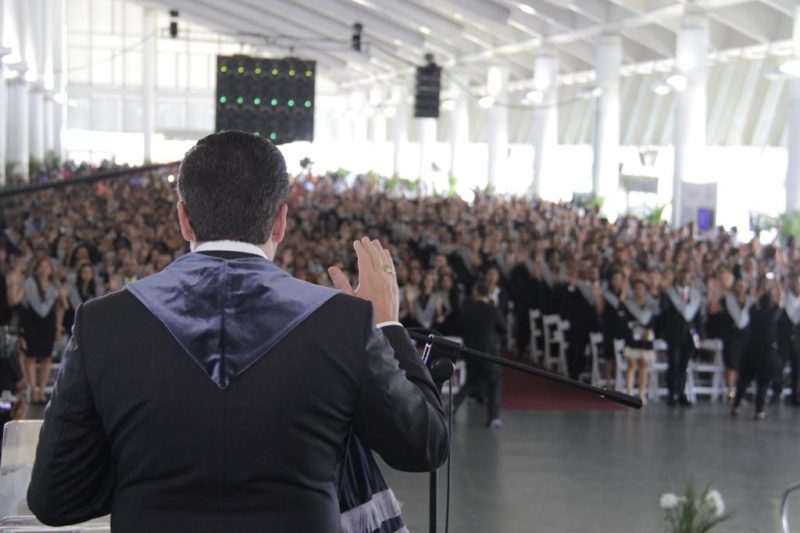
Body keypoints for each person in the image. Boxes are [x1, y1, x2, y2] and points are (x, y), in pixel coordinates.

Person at [27, 131, 449, 531]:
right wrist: (386, 322)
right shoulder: (342, 322)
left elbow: (54, 498)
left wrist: (140, 480)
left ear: (184, 220)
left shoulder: (104, 321)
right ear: (280, 222)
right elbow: (423, 445)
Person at [451, 281, 507, 429]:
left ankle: (451, 408)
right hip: (489, 354)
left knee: (470, 382)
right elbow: (503, 329)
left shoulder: (467, 310)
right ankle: (493, 417)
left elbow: (458, 327)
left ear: (475, 293)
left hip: (471, 352)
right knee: (494, 382)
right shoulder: (493, 310)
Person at [732, 278, 783, 419]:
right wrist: (777, 283)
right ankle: (759, 411)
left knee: (743, 381)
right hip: (766, 353)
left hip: (750, 350)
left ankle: (736, 406)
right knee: (763, 383)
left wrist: (762, 287)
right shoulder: (772, 314)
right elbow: (780, 300)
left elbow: (755, 300)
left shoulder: (754, 312)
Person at [20, 257, 64, 405]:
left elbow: (59, 308)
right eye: (42, 266)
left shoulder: (55, 285)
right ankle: (33, 390)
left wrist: (58, 326)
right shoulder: (30, 283)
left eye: (47, 266)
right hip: (32, 323)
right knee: (31, 357)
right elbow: (25, 304)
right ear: (37, 268)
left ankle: (41, 391)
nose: (45, 269)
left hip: (48, 324)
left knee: (46, 357)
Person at [660, 268, 703, 407]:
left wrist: (700, 334)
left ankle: (681, 393)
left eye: (687, 277)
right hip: (673, 334)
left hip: (689, 336)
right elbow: (664, 315)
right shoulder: (669, 294)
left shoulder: (695, 295)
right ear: (678, 278)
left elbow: (697, 317)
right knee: (673, 364)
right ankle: (671, 393)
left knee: (684, 365)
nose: (685, 280)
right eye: (682, 277)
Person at [621, 278, 659, 404]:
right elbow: (625, 321)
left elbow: (653, 321)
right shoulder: (629, 304)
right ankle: (629, 393)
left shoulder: (650, 305)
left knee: (644, 365)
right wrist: (637, 330)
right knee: (631, 365)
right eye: (637, 288)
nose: (639, 290)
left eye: (641, 288)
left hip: (645, 339)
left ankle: (642, 394)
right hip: (633, 337)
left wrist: (649, 331)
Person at [779, 271, 800, 405]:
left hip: (798, 340)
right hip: (784, 338)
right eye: (795, 282)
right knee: (779, 366)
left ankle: (794, 395)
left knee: (797, 368)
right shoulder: (784, 298)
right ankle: (777, 391)